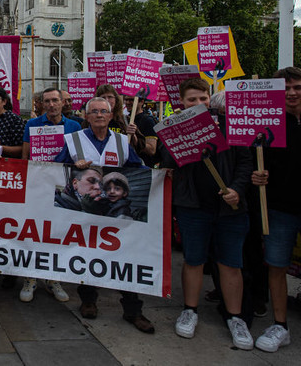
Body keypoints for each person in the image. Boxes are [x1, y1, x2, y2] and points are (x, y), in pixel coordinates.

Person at [163, 78, 253, 350]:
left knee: (230, 264)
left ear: (209, 99)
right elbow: (167, 165)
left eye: (203, 99)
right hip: (193, 208)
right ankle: (190, 310)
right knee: (194, 260)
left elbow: (245, 162)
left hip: (230, 209)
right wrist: (175, 138)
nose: (199, 104)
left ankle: (236, 318)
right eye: (192, 100)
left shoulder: (231, 126)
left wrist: (237, 189)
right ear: (182, 103)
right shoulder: (176, 131)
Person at [53, 96, 154, 334]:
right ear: (86, 117)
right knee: (86, 254)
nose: (99, 115)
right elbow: (54, 168)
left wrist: (160, 177)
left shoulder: (121, 141)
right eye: (94, 111)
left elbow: (137, 167)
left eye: (104, 111)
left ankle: (133, 309)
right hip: (85, 211)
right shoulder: (73, 139)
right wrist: (72, 167)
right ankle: (88, 299)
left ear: (110, 116)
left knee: (124, 258)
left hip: (114, 211)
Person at [250, 67, 301, 353]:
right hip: (280, 208)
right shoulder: (267, 125)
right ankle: (280, 325)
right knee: (276, 266)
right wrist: (256, 176)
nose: (292, 93)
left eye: (297, 87)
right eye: (286, 89)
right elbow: (255, 160)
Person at [18, 88, 82, 303]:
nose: (52, 105)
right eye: (47, 101)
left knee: (56, 233)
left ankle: (53, 278)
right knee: (34, 232)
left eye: (55, 100)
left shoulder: (74, 126)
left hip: (62, 187)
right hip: (38, 186)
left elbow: (78, 156)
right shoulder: (31, 125)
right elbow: (25, 157)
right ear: (42, 104)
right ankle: (30, 277)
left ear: (63, 102)